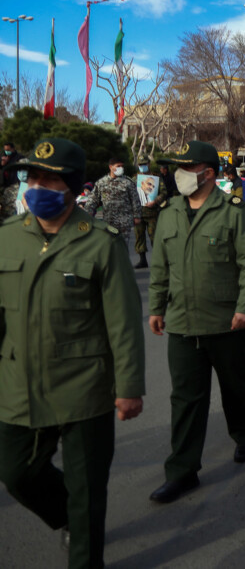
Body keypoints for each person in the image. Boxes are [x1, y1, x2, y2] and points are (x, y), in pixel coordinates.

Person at [0, 138, 145, 568]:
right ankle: (69, 517)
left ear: (73, 186)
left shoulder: (101, 242)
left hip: (85, 388)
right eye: (33, 177)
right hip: (18, 383)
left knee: (87, 487)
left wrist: (129, 387)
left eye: (50, 179)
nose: (37, 187)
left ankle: (84, 548)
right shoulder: (6, 239)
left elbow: (122, 321)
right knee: (16, 473)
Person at [148, 140, 245, 504]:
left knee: (236, 385)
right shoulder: (168, 212)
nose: (177, 175)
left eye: (185, 168)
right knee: (185, 398)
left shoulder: (235, 211)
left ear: (208, 173)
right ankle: (182, 471)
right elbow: (160, 266)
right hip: (182, 323)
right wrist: (156, 307)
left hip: (226, 320)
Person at [85, 157, 142, 254]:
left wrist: (137, 216)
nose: (121, 168)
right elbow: (93, 199)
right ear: (111, 167)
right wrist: (88, 212)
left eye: (122, 166)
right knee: (109, 247)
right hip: (109, 220)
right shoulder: (102, 183)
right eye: (118, 166)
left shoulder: (128, 182)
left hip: (125, 220)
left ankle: (123, 267)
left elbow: (135, 200)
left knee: (123, 246)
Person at [133, 156, 167, 269]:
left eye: (144, 164)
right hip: (138, 213)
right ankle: (142, 260)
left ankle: (159, 261)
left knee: (155, 237)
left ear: (149, 164)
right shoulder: (135, 179)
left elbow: (164, 192)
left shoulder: (156, 178)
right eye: (140, 164)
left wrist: (155, 201)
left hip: (152, 213)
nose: (143, 166)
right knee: (139, 237)